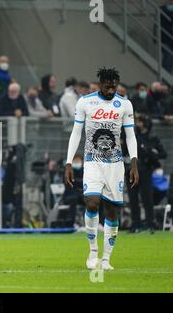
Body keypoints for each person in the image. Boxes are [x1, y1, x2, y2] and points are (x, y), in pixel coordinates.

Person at [65, 67, 139, 271]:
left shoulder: (124, 104)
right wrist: (69, 162)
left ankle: (106, 259)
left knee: (112, 211)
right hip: (92, 161)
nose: (111, 89)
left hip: (115, 164)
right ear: (100, 84)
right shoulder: (85, 102)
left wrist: (134, 162)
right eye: (107, 85)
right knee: (91, 203)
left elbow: (130, 136)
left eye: (114, 86)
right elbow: (76, 133)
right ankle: (93, 251)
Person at [124, 115, 167, 234]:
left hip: (146, 170)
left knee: (147, 199)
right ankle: (135, 224)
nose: (137, 124)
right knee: (133, 199)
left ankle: (150, 224)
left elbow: (163, 154)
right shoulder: (133, 136)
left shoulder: (153, 138)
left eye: (140, 121)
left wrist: (152, 154)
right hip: (132, 169)